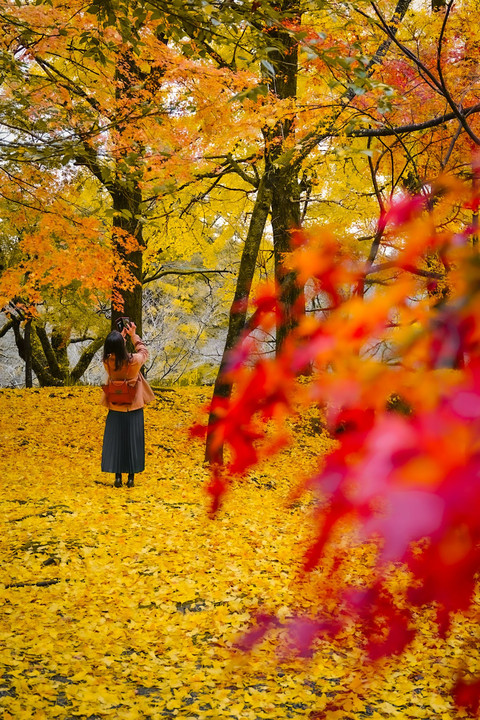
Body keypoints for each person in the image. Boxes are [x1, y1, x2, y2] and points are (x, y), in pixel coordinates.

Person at [101, 321, 155, 488]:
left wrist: (120, 338)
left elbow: (114, 351)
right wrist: (133, 336)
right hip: (133, 405)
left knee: (117, 440)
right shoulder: (134, 361)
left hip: (115, 404)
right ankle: (131, 478)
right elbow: (143, 351)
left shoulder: (107, 361)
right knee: (133, 441)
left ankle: (117, 477)